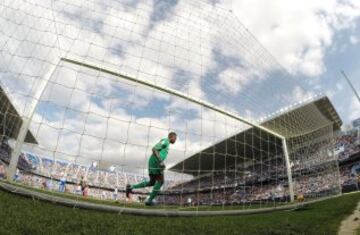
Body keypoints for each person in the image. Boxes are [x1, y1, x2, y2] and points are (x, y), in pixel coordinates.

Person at [126, 132, 177, 206]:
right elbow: (154, 149)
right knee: (161, 181)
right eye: (175, 138)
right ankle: (149, 201)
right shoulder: (165, 141)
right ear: (171, 137)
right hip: (156, 162)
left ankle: (131, 187)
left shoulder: (167, 143)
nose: (175, 140)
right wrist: (160, 161)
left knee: (152, 182)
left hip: (154, 161)